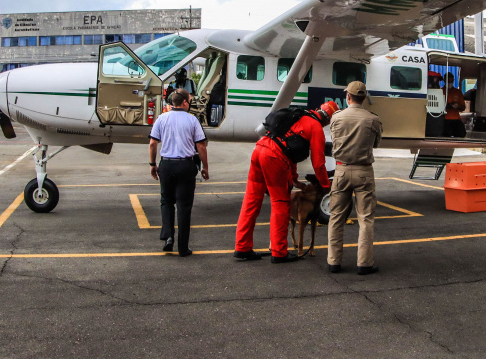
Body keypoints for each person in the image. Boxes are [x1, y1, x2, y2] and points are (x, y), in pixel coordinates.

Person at [234, 101, 339, 263]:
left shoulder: (299, 115)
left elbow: (291, 149)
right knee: (281, 202)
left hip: (260, 149)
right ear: (328, 120)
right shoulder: (316, 127)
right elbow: (318, 163)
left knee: (251, 200)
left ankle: (242, 247)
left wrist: (294, 177)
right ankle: (279, 251)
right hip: (274, 158)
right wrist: (325, 185)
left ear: (318, 109)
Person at [327, 81, 383, 275]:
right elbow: (376, 144)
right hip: (364, 171)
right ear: (364, 98)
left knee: (336, 217)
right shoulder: (373, 119)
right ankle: (364, 264)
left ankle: (334, 261)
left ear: (348, 97)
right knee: (365, 219)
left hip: (341, 170)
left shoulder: (336, 117)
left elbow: (334, 141)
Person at [148, 88, 209, 257]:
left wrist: (153, 164)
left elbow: (153, 143)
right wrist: (205, 167)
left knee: (166, 201)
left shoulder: (162, 118)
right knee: (184, 206)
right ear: (184, 102)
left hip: (166, 165)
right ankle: (183, 247)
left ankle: (168, 236)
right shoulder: (192, 120)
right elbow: (201, 146)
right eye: (189, 101)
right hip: (185, 166)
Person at [442, 72, 467, 138]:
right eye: (448, 81)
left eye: (451, 81)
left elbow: (463, 107)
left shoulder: (458, 92)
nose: (450, 83)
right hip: (444, 118)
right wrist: (448, 106)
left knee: (462, 133)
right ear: (444, 80)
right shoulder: (440, 91)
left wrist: (458, 106)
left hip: (456, 118)